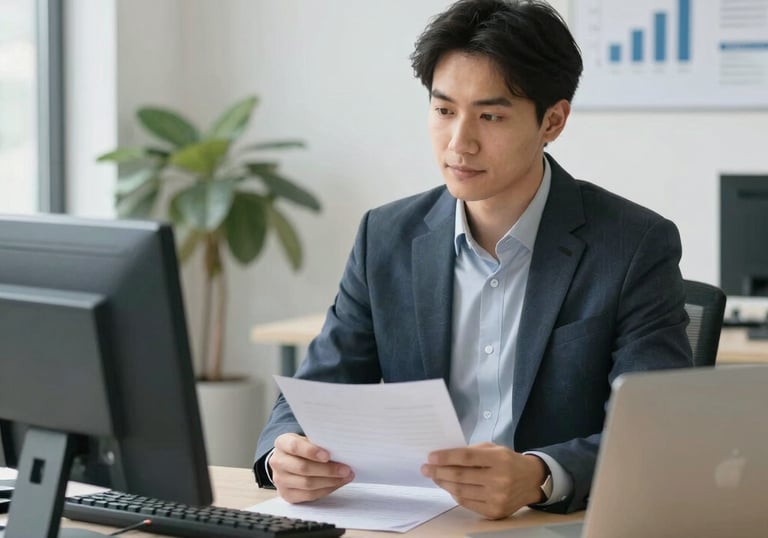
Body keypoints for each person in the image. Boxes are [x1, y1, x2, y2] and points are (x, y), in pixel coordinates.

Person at [254, 0, 692, 519]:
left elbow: (654, 434)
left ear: (553, 120)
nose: (459, 143)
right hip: (413, 521)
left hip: (554, 525)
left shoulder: (633, 245)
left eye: (489, 115)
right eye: (444, 111)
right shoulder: (387, 237)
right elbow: (315, 390)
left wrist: (540, 475)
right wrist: (286, 450)